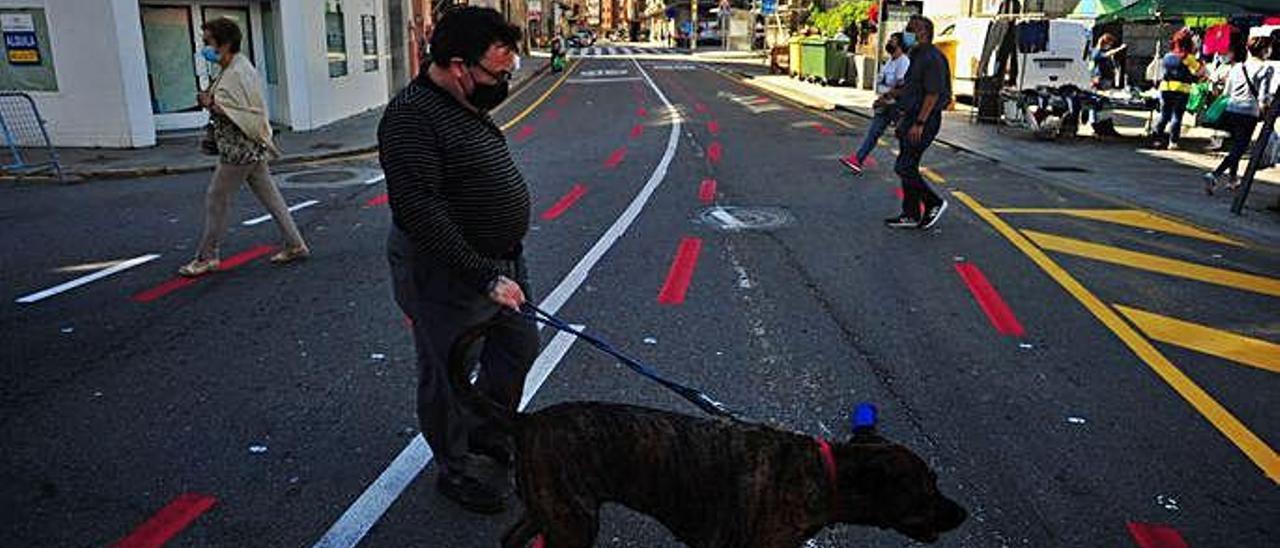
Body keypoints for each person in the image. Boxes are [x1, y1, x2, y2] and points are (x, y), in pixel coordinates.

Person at [377, 7, 536, 514]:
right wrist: (484, 276)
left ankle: (485, 430)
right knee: (447, 372)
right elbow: (419, 211)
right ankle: (456, 467)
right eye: (498, 72)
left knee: (517, 348)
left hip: (500, 261)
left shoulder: (462, 101)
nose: (505, 81)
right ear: (457, 65)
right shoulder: (410, 117)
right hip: (446, 273)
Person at [179, 18, 308, 277]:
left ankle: (207, 257)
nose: (204, 47)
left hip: (239, 150)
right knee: (271, 197)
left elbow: (242, 111)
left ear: (225, 44)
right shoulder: (235, 67)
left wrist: (210, 103)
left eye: (208, 42)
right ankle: (295, 244)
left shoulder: (237, 72)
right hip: (250, 148)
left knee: (216, 197)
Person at [885, 15, 951, 230]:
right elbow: (912, 87)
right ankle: (910, 214)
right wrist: (891, 98)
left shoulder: (932, 58)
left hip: (924, 120)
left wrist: (919, 123)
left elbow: (932, 94)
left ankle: (933, 202)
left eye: (911, 30)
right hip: (911, 117)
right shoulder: (916, 54)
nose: (906, 33)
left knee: (903, 166)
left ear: (924, 33)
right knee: (908, 167)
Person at [1204, 36, 1274, 194]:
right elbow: (1263, 98)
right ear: (1265, 50)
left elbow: (1227, 92)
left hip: (1231, 110)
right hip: (1248, 113)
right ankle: (1215, 174)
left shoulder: (1237, 67)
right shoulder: (1266, 68)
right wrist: (1266, 113)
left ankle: (1233, 179)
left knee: (1236, 144)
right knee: (1240, 148)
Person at [841, 32, 909, 174]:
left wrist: (884, 98)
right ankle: (858, 160)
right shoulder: (890, 61)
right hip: (885, 104)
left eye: (893, 41)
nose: (890, 42)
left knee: (903, 135)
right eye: (890, 39)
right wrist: (881, 99)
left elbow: (902, 86)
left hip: (896, 105)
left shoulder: (903, 62)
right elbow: (883, 82)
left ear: (901, 45)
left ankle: (907, 165)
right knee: (873, 133)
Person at [1152, 28, 1207, 150]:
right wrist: (1201, 63)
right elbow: (1200, 72)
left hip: (1165, 88)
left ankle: (1156, 139)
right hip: (1182, 89)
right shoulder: (1188, 58)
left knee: (1164, 115)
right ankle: (1173, 142)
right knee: (1176, 117)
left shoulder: (1167, 56)